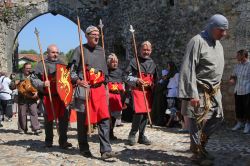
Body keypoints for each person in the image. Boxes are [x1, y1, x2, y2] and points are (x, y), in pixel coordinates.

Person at [178, 14, 228, 163]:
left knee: (218, 117)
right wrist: (191, 94)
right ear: (212, 27)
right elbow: (188, 69)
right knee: (196, 122)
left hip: (214, 91)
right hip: (198, 91)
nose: (224, 34)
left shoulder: (218, 44)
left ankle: (201, 146)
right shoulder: (197, 41)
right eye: (221, 30)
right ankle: (197, 153)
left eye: (225, 30)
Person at [70, 25, 119, 159]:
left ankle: (105, 150)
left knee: (104, 119)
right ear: (86, 36)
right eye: (93, 34)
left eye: (98, 34)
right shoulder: (79, 50)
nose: (97, 36)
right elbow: (71, 71)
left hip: (100, 90)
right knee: (83, 121)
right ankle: (84, 147)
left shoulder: (101, 51)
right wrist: (79, 81)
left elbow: (105, 72)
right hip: (85, 90)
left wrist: (107, 89)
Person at [34, 44, 72, 148]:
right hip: (48, 97)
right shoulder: (41, 64)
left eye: (57, 52)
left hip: (61, 97)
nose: (55, 55)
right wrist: (42, 83)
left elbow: (69, 77)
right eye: (53, 52)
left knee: (64, 120)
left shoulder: (63, 64)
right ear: (47, 53)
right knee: (48, 120)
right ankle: (48, 141)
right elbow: (33, 79)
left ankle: (63, 141)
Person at [126, 41, 157, 146]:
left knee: (145, 114)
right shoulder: (134, 61)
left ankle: (142, 136)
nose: (146, 52)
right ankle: (132, 134)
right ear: (140, 50)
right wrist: (136, 80)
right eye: (144, 50)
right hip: (138, 91)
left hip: (148, 92)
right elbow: (126, 76)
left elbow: (155, 79)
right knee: (139, 113)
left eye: (148, 50)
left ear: (151, 51)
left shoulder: (152, 63)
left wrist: (152, 84)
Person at [10, 63, 42, 135]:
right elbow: (11, 86)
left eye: (30, 68)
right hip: (22, 98)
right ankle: (22, 129)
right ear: (23, 68)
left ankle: (36, 129)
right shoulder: (19, 76)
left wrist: (37, 93)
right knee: (22, 114)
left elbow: (39, 85)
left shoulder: (33, 76)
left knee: (34, 112)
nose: (29, 70)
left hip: (33, 98)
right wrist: (14, 83)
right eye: (27, 68)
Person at [229, 49, 250, 133]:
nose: (236, 57)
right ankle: (240, 123)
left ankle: (248, 125)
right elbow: (233, 75)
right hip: (238, 90)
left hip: (247, 90)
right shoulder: (237, 65)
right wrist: (232, 80)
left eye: (238, 55)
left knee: (248, 108)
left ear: (243, 56)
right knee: (238, 108)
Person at [106, 53, 125, 140]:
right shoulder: (105, 71)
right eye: (113, 62)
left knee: (114, 116)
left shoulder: (120, 72)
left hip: (116, 96)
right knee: (106, 115)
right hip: (107, 96)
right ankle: (106, 132)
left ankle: (111, 132)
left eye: (116, 62)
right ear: (109, 62)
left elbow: (123, 83)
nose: (115, 64)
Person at [165, 62, 180, 127]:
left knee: (171, 108)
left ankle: (171, 122)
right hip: (170, 92)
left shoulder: (176, 74)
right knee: (170, 108)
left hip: (173, 92)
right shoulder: (171, 74)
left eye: (168, 66)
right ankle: (172, 122)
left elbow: (178, 84)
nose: (168, 68)